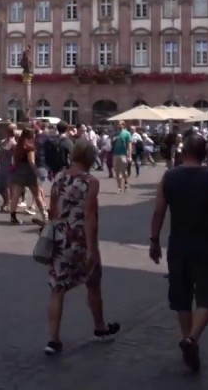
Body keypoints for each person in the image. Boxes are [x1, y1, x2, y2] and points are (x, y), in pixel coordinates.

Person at [149, 134, 208, 374]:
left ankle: (188, 339)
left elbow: (158, 212)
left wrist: (154, 241)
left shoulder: (169, 177)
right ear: (204, 154)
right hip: (205, 244)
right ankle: (191, 339)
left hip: (177, 245)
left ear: (183, 152)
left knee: (182, 295)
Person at [44, 139, 120, 355]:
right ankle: (100, 327)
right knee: (93, 283)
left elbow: (52, 210)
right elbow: (89, 216)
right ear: (90, 158)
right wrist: (92, 248)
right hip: (80, 240)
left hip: (60, 239)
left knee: (57, 289)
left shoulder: (59, 177)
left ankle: (53, 340)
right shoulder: (90, 182)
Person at [7, 127, 46, 226]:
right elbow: (32, 162)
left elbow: (14, 160)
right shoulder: (30, 148)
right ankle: (45, 215)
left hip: (18, 171)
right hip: (29, 173)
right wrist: (37, 173)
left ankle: (13, 216)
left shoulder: (18, 146)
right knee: (37, 195)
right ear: (31, 136)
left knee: (15, 195)